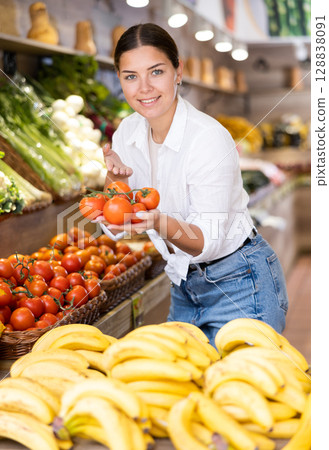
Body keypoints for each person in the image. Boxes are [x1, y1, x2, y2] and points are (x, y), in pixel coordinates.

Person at [100, 23, 288, 347]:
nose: (144, 87)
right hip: (184, 285)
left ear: (178, 71)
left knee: (239, 391)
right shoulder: (126, 134)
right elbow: (116, 227)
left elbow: (207, 242)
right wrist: (114, 185)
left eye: (155, 72)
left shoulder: (208, 139)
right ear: (119, 79)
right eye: (130, 76)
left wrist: (157, 221)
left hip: (240, 283)